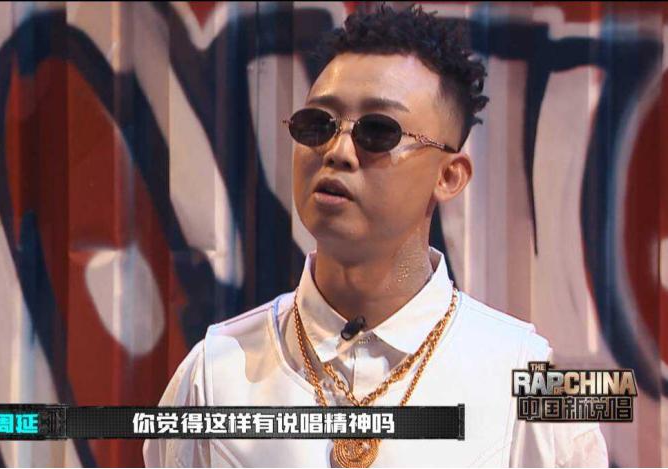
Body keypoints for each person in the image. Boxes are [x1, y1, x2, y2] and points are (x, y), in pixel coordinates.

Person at [144, 5, 608, 467]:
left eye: (379, 131)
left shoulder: (531, 381)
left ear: (448, 176)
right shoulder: (212, 374)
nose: (338, 151)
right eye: (318, 124)